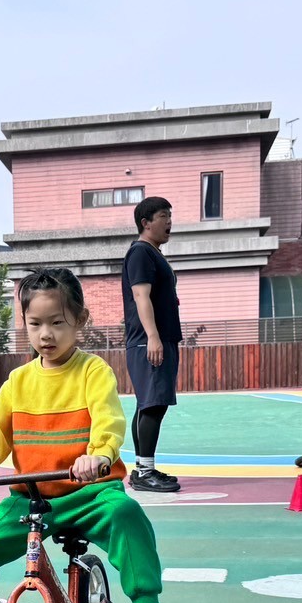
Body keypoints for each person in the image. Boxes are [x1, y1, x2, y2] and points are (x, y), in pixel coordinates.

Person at [0, 267, 186, 603]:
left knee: (126, 514)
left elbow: (108, 419)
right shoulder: (18, 382)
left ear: (80, 321)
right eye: (35, 324)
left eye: (57, 322)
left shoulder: (93, 371)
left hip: (89, 493)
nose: (46, 334)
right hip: (32, 499)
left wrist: (98, 454)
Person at [122, 196, 182, 494]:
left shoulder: (154, 253)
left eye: (170, 215)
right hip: (148, 341)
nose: (169, 221)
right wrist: (153, 337)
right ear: (146, 222)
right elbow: (140, 296)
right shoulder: (141, 253)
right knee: (153, 405)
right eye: (163, 216)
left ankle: (143, 468)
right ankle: (144, 473)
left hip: (161, 338)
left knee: (150, 404)